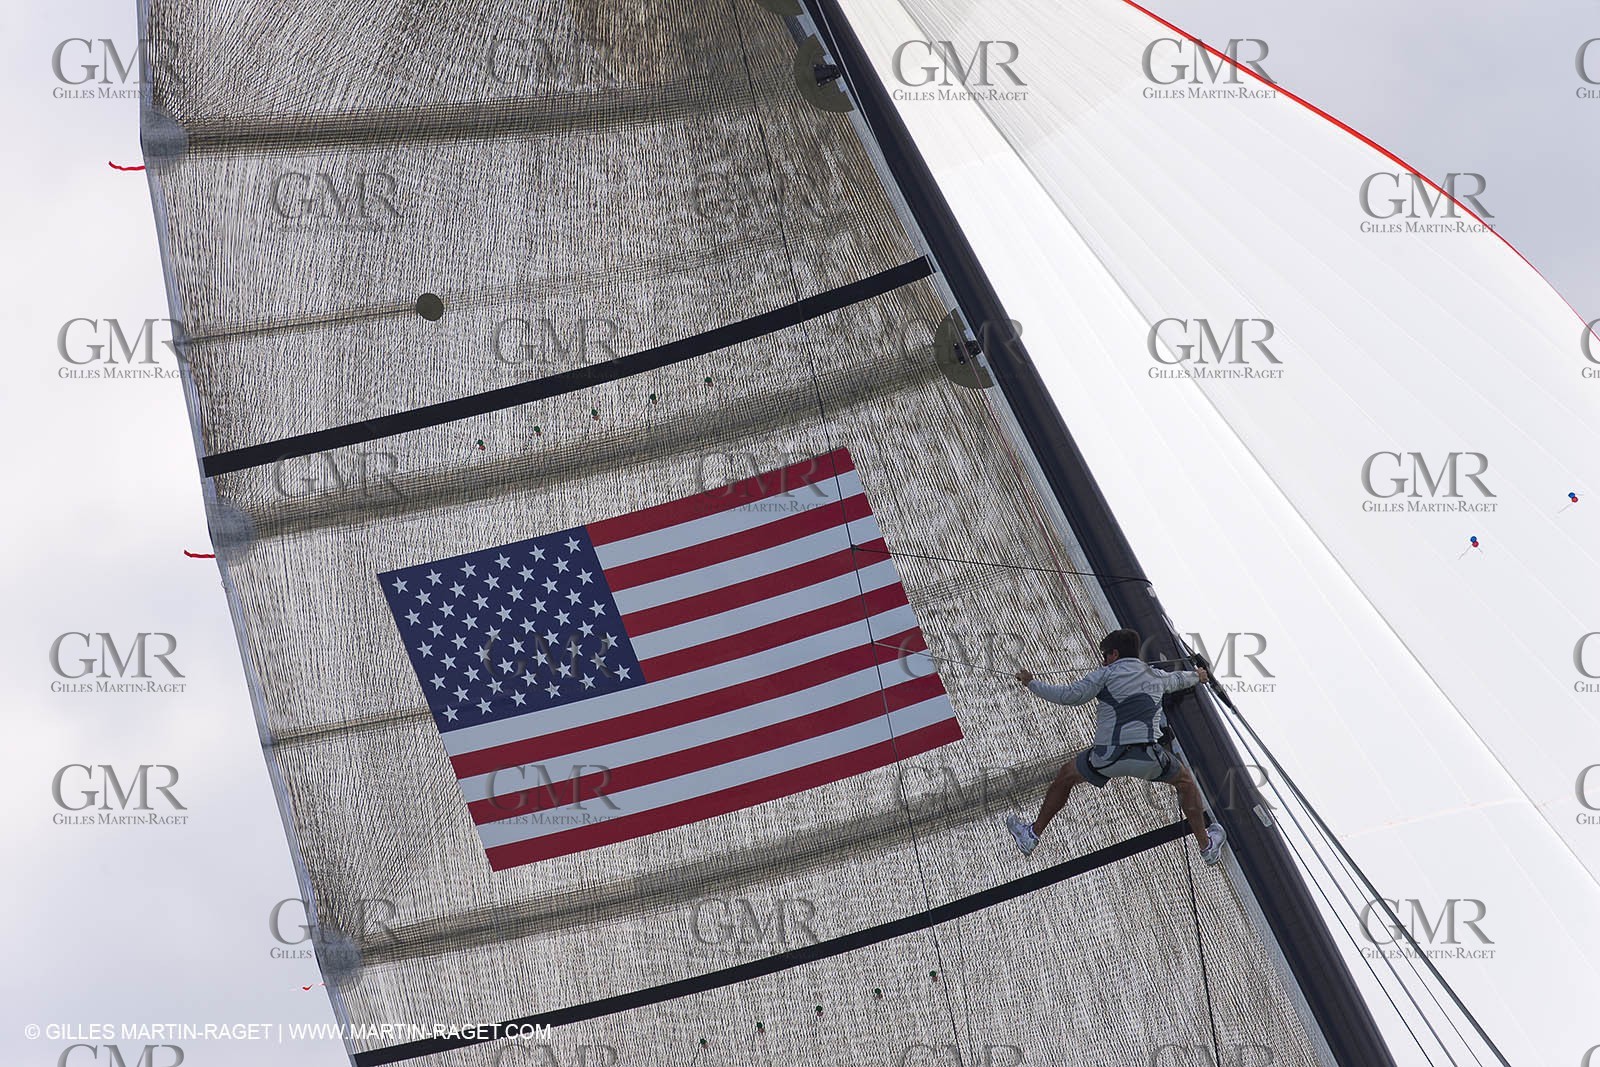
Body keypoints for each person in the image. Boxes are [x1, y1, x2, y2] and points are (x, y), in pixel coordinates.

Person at [1003, 628, 1227, 866]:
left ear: (1114, 654)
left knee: (1066, 776)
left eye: (1104, 655)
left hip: (1106, 759)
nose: (1103, 660)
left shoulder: (1104, 675)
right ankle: (1206, 846)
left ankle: (1032, 834)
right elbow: (1181, 679)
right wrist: (1199, 675)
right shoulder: (1156, 676)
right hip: (1149, 760)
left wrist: (1031, 683)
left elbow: (1068, 696)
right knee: (1185, 783)